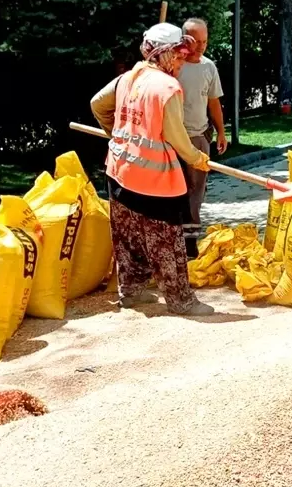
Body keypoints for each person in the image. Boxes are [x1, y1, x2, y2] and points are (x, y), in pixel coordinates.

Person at [90, 23, 215, 316]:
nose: (183, 62)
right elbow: (176, 138)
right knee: (167, 243)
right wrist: (196, 158)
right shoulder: (167, 88)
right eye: (180, 56)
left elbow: (97, 104)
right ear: (165, 54)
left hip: (119, 170)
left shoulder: (128, 78)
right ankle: (181, 301)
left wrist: (116, 132)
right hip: (155, 181)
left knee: (127, 237)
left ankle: (130, 292)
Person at [177, 18, 227, 257]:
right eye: (195, 41)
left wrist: (221, 131)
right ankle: (174, 236)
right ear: (184, 39)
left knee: (197, 189)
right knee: (177, 189)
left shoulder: (208, 67)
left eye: (204, 41)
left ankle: (191, 240)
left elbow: (214, 102)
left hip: (199, 137)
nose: (200, 46)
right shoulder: (174, 66)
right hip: (173, 138)